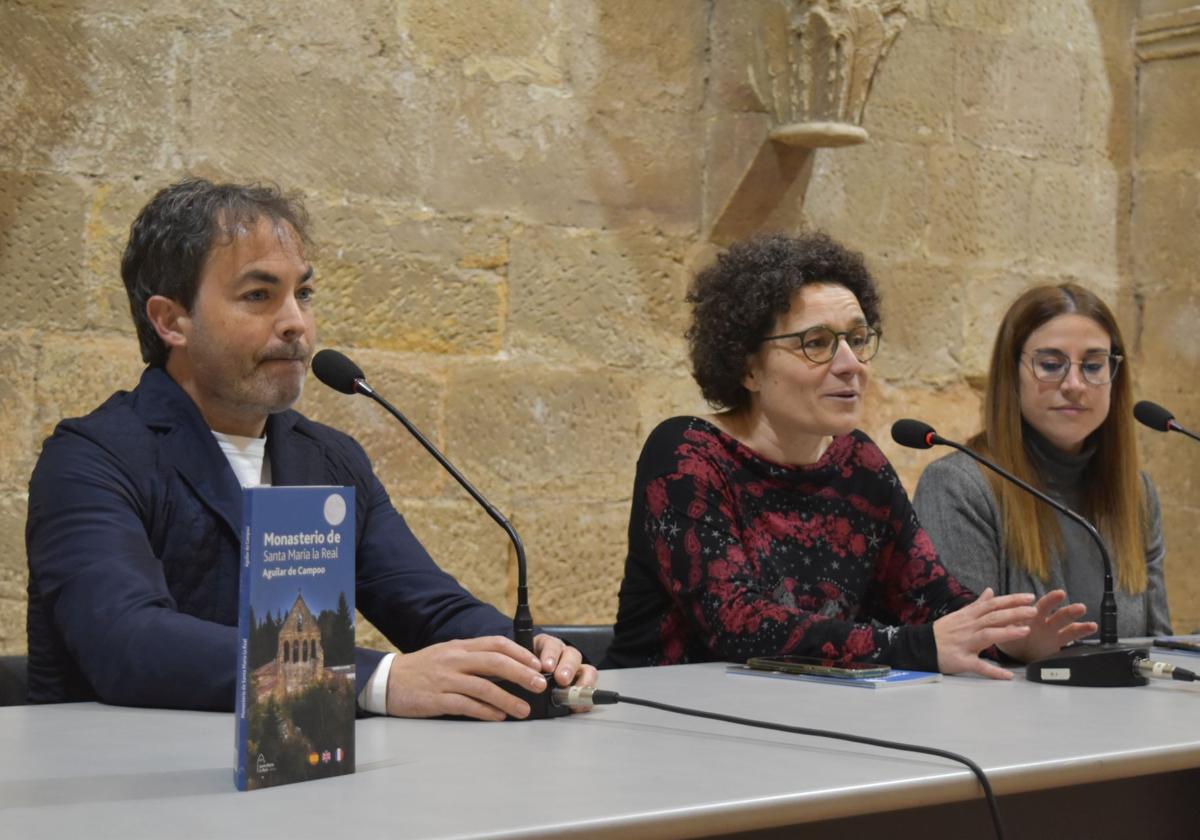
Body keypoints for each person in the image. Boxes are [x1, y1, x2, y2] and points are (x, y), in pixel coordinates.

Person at [25, 178, 597, 720]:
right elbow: (126, 642)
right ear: (172, 320)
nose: (296, 323)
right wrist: (376, 680)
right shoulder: (93, 456)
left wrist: (527, 656)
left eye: (304, 292)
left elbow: (429, 606)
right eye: (258, 295)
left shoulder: (328, 459)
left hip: (298, 784)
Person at [605, 233, 1095, 675]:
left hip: (810, 724)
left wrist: (1007, 637)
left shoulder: (858, 462)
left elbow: (928, 597)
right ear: (747, 367)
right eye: (816, 343)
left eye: (858, 341)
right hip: (667, 723)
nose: (850, 366)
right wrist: (917, 647)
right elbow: (738, 625)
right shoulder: (687, 453)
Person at [914, 284, 1171, 637]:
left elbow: (1159, 647)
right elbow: (963, 654)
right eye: (1050, 365)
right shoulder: (959, 487)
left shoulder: (1137, 494)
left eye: (1094, 366)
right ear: (1012, 374)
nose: (1075, 384)